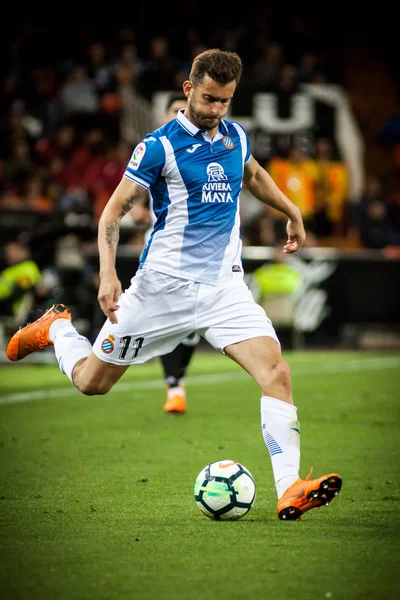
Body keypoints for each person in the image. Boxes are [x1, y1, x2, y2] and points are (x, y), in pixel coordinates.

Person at [6, 49, 342, 521]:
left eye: (225, 101)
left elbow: (253, 175)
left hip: (225, 290)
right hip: (162, 290)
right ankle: (58, 328)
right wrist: (108, 274)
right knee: (90, 382)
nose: (217, 109)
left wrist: (292, 210)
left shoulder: (235, 136)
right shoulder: (158, 146)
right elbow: (112, 212)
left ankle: (289, 489)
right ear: (188, 90)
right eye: (209, 99)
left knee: (276, 373)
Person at [157, 92, 201, 413]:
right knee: (169, 322)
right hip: (164, 251)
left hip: (202, 252)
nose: (178, 116)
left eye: (182, 111)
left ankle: (178, 379)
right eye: (173, 112)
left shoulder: (203, 150)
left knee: (193, 326)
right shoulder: (157, 148)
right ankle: (174, 387)